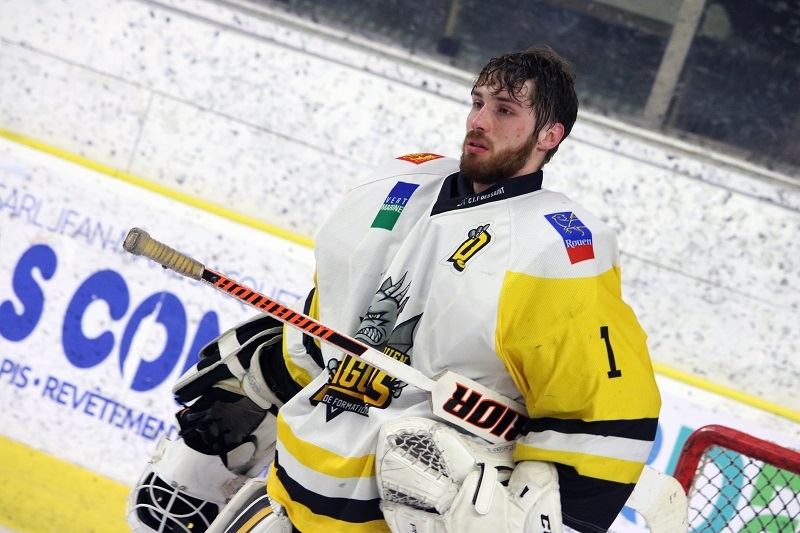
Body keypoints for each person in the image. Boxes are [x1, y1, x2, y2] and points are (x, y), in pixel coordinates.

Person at [126, 44, 661, 533]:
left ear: (549, 136)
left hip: (396, 518)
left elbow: (604, 415)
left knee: (424, 457)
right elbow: (331, 327)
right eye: (477, 103)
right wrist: (261, 389)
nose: (477, 121)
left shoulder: (552, 249)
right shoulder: (397, 186)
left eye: (504, 110)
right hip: (288, 503)